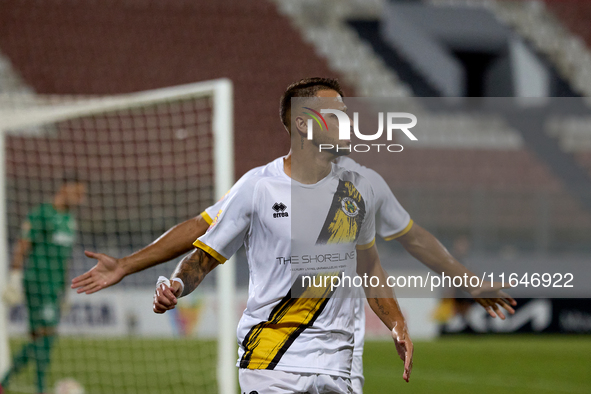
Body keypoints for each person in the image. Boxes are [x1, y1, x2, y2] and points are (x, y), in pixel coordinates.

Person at [72, 78, 516, 392]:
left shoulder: (361, 185)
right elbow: (203, 251)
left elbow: (374, 262)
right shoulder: (258, 187)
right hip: (273, 361)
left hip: (342, 364)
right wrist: (172, 282)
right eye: (335, 115)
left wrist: (402, 318)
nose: (347, 123)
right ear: (304, 125)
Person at [1, 174, 86, 394]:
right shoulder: (42, 214)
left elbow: (66, 258)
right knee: (46, 336)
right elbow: (23, 245)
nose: (80, 198)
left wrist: (66, 289)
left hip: (55, 286)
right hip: (38, 282)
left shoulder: (70, 221)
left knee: (39, 338)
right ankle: (38, 388)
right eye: (77, 192)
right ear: (64, 188)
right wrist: (15, 277)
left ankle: (4, 382)